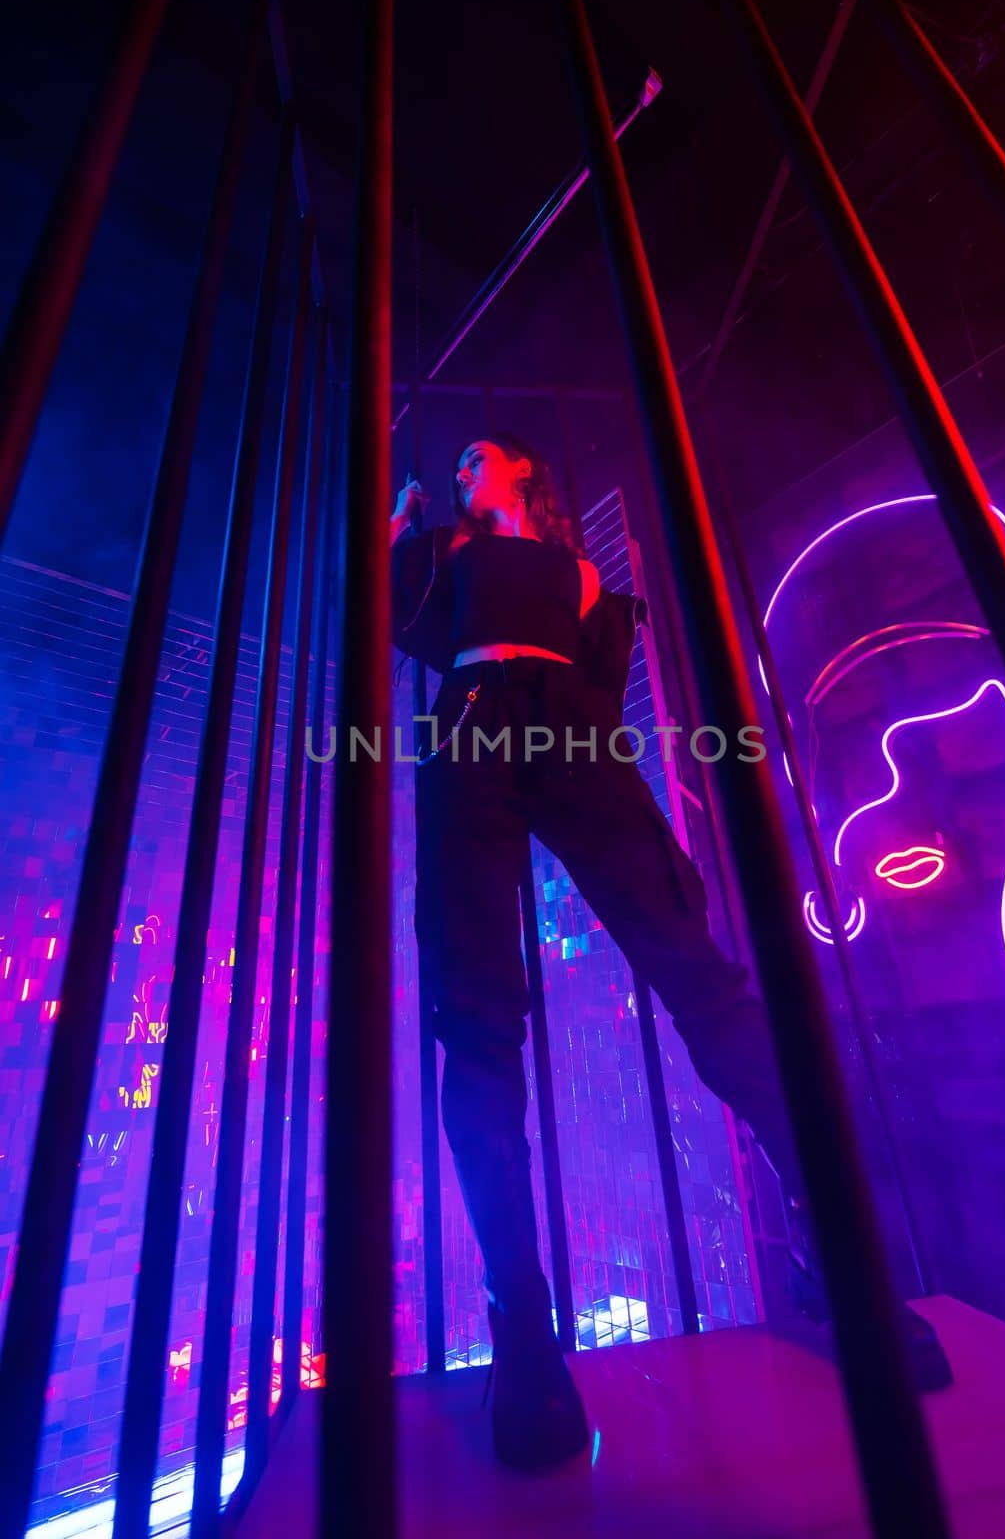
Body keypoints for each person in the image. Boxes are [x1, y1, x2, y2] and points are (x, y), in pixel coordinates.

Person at [389, 434, 951, 1473]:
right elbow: (396, 617)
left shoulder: (580, 570)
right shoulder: (446, 557)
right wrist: (393, 529)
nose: (463, 465)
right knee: (473, 1012)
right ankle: (521, 1321)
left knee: (699, 975)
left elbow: (602, 690)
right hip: (469, 718)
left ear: (525, 470)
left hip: (565, 723)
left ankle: (831, 1248)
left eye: (480, 456)